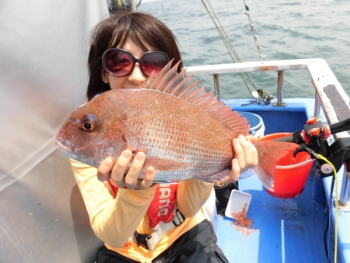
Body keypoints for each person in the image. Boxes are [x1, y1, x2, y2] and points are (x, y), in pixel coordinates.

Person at [70, 11, 258, 263]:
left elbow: (190, 209)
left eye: (153, 63)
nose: (136, 76)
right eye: (118, 60)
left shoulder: (182, 115)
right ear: (103, 72)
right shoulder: (92, 132)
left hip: (186, 233)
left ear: (169, 69)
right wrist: (136, 192)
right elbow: (112, 236)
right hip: (126, 251)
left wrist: (213, 165)